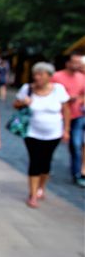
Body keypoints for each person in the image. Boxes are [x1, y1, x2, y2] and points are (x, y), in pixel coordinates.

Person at [14, 62, 70, 207]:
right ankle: (32, 194)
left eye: (41, 74)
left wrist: (66, 130)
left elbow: (66, 110)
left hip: (53, 133)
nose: (37, 77)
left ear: (49, 77)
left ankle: (41, 186)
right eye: (35, 74)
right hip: (32, 131)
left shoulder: (58, 90)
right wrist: (24, 102)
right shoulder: (27, 89)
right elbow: (16, 104)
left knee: (46, 162)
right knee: (35, 161)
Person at [51, 53, 85, 187]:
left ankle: (76, 172)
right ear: (68, 63)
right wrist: (65, 99)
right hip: (58, 115)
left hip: (77, 115)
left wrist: (79, 99)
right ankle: (46, 166)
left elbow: (83, 94)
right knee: (52, 142)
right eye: (74, 62)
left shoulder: (82, 78)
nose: (77, 65)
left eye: (79, 62)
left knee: (76, 144)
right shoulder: (57, 76)